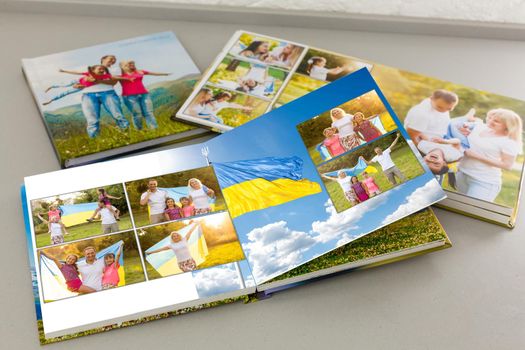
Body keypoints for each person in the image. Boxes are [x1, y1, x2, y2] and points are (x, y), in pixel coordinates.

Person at [455, 109, 523, 202]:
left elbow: (507, 165)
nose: (490, 121)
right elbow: (457, 127)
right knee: (459, 207)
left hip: (483, 181)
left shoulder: (508, 142)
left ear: (507, 125)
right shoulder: (480, 127)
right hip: (462, 174)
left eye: (496, 121)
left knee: (473, 211)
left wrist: (476, 156)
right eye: (491, 118)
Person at [61, 55, 130, 138]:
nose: (113, 60)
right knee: (92, 120)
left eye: (114, 59)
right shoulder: (93, 68)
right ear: (103, 59)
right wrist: (77, 85)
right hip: (88, 95)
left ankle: (127, 135)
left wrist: (97, 80)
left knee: (118, 115)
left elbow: (113, 82)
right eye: (111, 58)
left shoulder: (115, 69)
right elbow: (80, 81)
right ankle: (95, 141)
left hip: (108, 93)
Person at [119, 60, 170, 130]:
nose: (132, 64)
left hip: (144, 94)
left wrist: (165, 74)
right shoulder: (120, 75)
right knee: (137, 114)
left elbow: (153, 73)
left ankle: (154, 129)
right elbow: (110, 78)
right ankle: (139, 130)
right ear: (123, 66)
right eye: (129, 63)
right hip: (129, 97)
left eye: (133, 63)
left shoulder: (139, 71)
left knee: (149, 113)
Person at [43, 65, 124, 106]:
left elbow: (113, 77)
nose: (102, 70)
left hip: (82, 87)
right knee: (64, 85)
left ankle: (51, 100)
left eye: (103, 69)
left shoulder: (103, 77)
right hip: (77, 81)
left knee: (66, 92)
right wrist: (64, 71)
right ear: (93, 70)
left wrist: (125, 77)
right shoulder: (88, 73)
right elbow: (76, 72)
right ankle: (51, 86)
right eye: (100, 69)